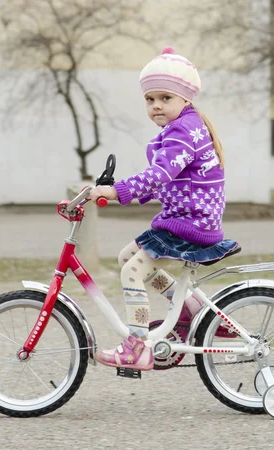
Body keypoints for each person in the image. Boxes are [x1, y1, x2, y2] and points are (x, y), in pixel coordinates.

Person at [89, 46, 239, 371]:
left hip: (189, 225)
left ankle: (137, 346)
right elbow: (168, 179)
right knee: (126, 257)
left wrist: (117, 191)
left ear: (185, 98)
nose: (156, 105)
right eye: (150, 99)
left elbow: (160, 174)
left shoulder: (183, 132)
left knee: (132, 271)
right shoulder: (185, 126)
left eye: (165, 98)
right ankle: (191, 307)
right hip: (184, 220)